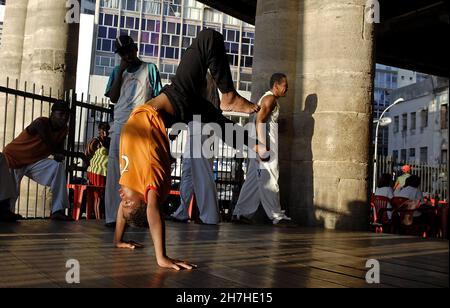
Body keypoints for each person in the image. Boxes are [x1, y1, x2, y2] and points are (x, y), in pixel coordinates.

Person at [113, 29, 261, 270]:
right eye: (129, 203)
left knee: (215, 119)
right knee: (208, 39)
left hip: (172, 113)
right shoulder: (148, 183)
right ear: (143, 199)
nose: (122, 199)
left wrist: (119, 239)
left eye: (124, 204)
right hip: (175, 100)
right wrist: (161, 257)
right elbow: (152, 211)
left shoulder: (128, 186)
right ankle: (229, 95)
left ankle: (252, 142)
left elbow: (124, 211)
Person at [104, 35, 163, 227]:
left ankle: (139, 214)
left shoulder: (150, 69)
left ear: (135, 48)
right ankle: (113, 217)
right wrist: (120, 71)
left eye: (129, 51)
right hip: (120, 123)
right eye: (122, 53)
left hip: (140, 124)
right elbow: (113, 97)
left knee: (139, 169)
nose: (127, 56)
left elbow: (157, 95)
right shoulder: (116, 71)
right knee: (114, 170)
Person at [232, 73, 292, 225]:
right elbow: (259, 120)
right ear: (276, 86)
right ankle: (276, 216)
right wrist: (262, 146)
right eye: (285, 85)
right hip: (265, 146)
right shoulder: (270, 98)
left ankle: (240, 213)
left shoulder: (271, 99)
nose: (287, 89)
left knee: (253, 179)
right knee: (270, 177)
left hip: (260, 145)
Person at [0, 102, 72, 221]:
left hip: (34, 161)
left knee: (57, 167)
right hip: (15, 158)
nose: (64, 117)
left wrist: (61, 154)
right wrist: (59, 153)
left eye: (67, 115)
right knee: (12, 192)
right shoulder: (41, 123)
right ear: (52, 114)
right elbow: (51, 145)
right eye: (61, 114)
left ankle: (57, 210)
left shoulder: (63, 130)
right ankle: (6, 215)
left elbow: (58, 151)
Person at [170, 73, 220, 225]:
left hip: (201, 124)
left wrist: (176, 128)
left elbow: (187, 101)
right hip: (200, 125)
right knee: (189, 171)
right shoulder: (205, 77)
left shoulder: (200, 76)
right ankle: (182, 211)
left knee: (200, 171)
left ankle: (210, 215)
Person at [85, 122, 111, 219]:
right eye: (103, 131)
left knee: (104, 195)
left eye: (107, 131)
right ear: (99, 131)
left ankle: (104, 217)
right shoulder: (95, 141)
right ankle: (98, 219)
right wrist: (90, 166)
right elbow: (86, 154)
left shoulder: (110, 141)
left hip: (106, 173)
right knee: (98, 196)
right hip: (96, 172)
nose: (105, 133)